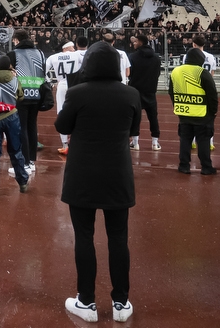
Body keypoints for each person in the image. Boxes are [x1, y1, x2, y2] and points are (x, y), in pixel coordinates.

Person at [56, 42, 139, 323]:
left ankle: (86, 301)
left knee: (84, 236)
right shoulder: (131, 94)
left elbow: (62, 126)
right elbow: (134, 130)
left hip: (83, 174)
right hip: (118, 174)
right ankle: (121, 302)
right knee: (118, 238)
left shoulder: (78, 93)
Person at [0, 55, 29, 197]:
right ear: (10, 67)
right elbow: (21, 97)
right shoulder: (15, 80)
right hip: (12, 117)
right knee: (15, 150)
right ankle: (23, 182)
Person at [169, 48, 219, 175]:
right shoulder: (202, 73)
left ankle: (184, 165)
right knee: (203, 141)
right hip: (201, 113)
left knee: (185, 140)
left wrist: (177, 104)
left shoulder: (176, 71)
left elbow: (171, 91)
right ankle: (206, 167)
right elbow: (212, 94)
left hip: (183, 113)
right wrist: (213, 112)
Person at [6, 29, 49, 173]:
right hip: (37, 93)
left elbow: (7, 73)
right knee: (32, 126)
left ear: (17, 40)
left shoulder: (14, 54)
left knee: (21, 128)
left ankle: (23, 163)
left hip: (21, 94)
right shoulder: (40, 53)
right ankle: (31, 161)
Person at [46, 41, 85, 155]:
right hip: (76, 85)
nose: (73, 49)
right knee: (78, 113)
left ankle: (64, 145)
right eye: (72, 47)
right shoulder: (77, 55)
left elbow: (44, 71)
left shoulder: (53, 57)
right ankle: (76, 142)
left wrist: (50, 83)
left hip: (62, 84)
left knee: (61, 113)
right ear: (66, 48)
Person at [127, 34, 162, 151]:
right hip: (150, 90)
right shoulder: (156, 58)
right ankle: (155, 142)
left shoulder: (132, 56)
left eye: (135, 41)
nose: (134, 43)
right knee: (153, 117)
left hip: (136, 90)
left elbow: (130, 73)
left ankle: (135, 142)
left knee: (136, 117)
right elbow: (157, 73)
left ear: (141, 42)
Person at [182, 35, 217, 151]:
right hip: (205, 87)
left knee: (191, 116)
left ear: (194, 44)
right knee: (207, 118)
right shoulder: (211, 57)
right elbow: (211, 74)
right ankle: (210, 142)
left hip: (192, 87)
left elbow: (185, 71)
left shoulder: (188, 56)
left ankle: (192, 141)